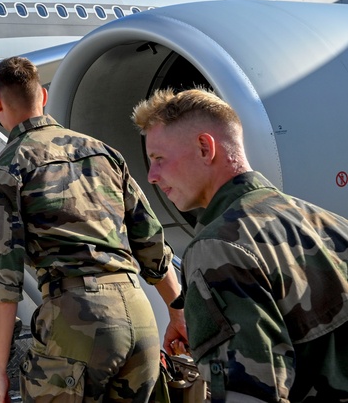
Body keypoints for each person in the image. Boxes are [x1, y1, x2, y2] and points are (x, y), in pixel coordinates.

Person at [0, 57, 186, 403]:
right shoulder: (103, 153)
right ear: (43, 96)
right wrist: (177, 312)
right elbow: (151, 243)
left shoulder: (5, 170)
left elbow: (2, 279)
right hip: (139, 316)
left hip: (76, 325)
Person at [132, 88, 348, 403]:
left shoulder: (218, 247)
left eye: (159, 159)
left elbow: (249, 393)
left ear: (205, 148)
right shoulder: (331, 223)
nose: (152, 176)